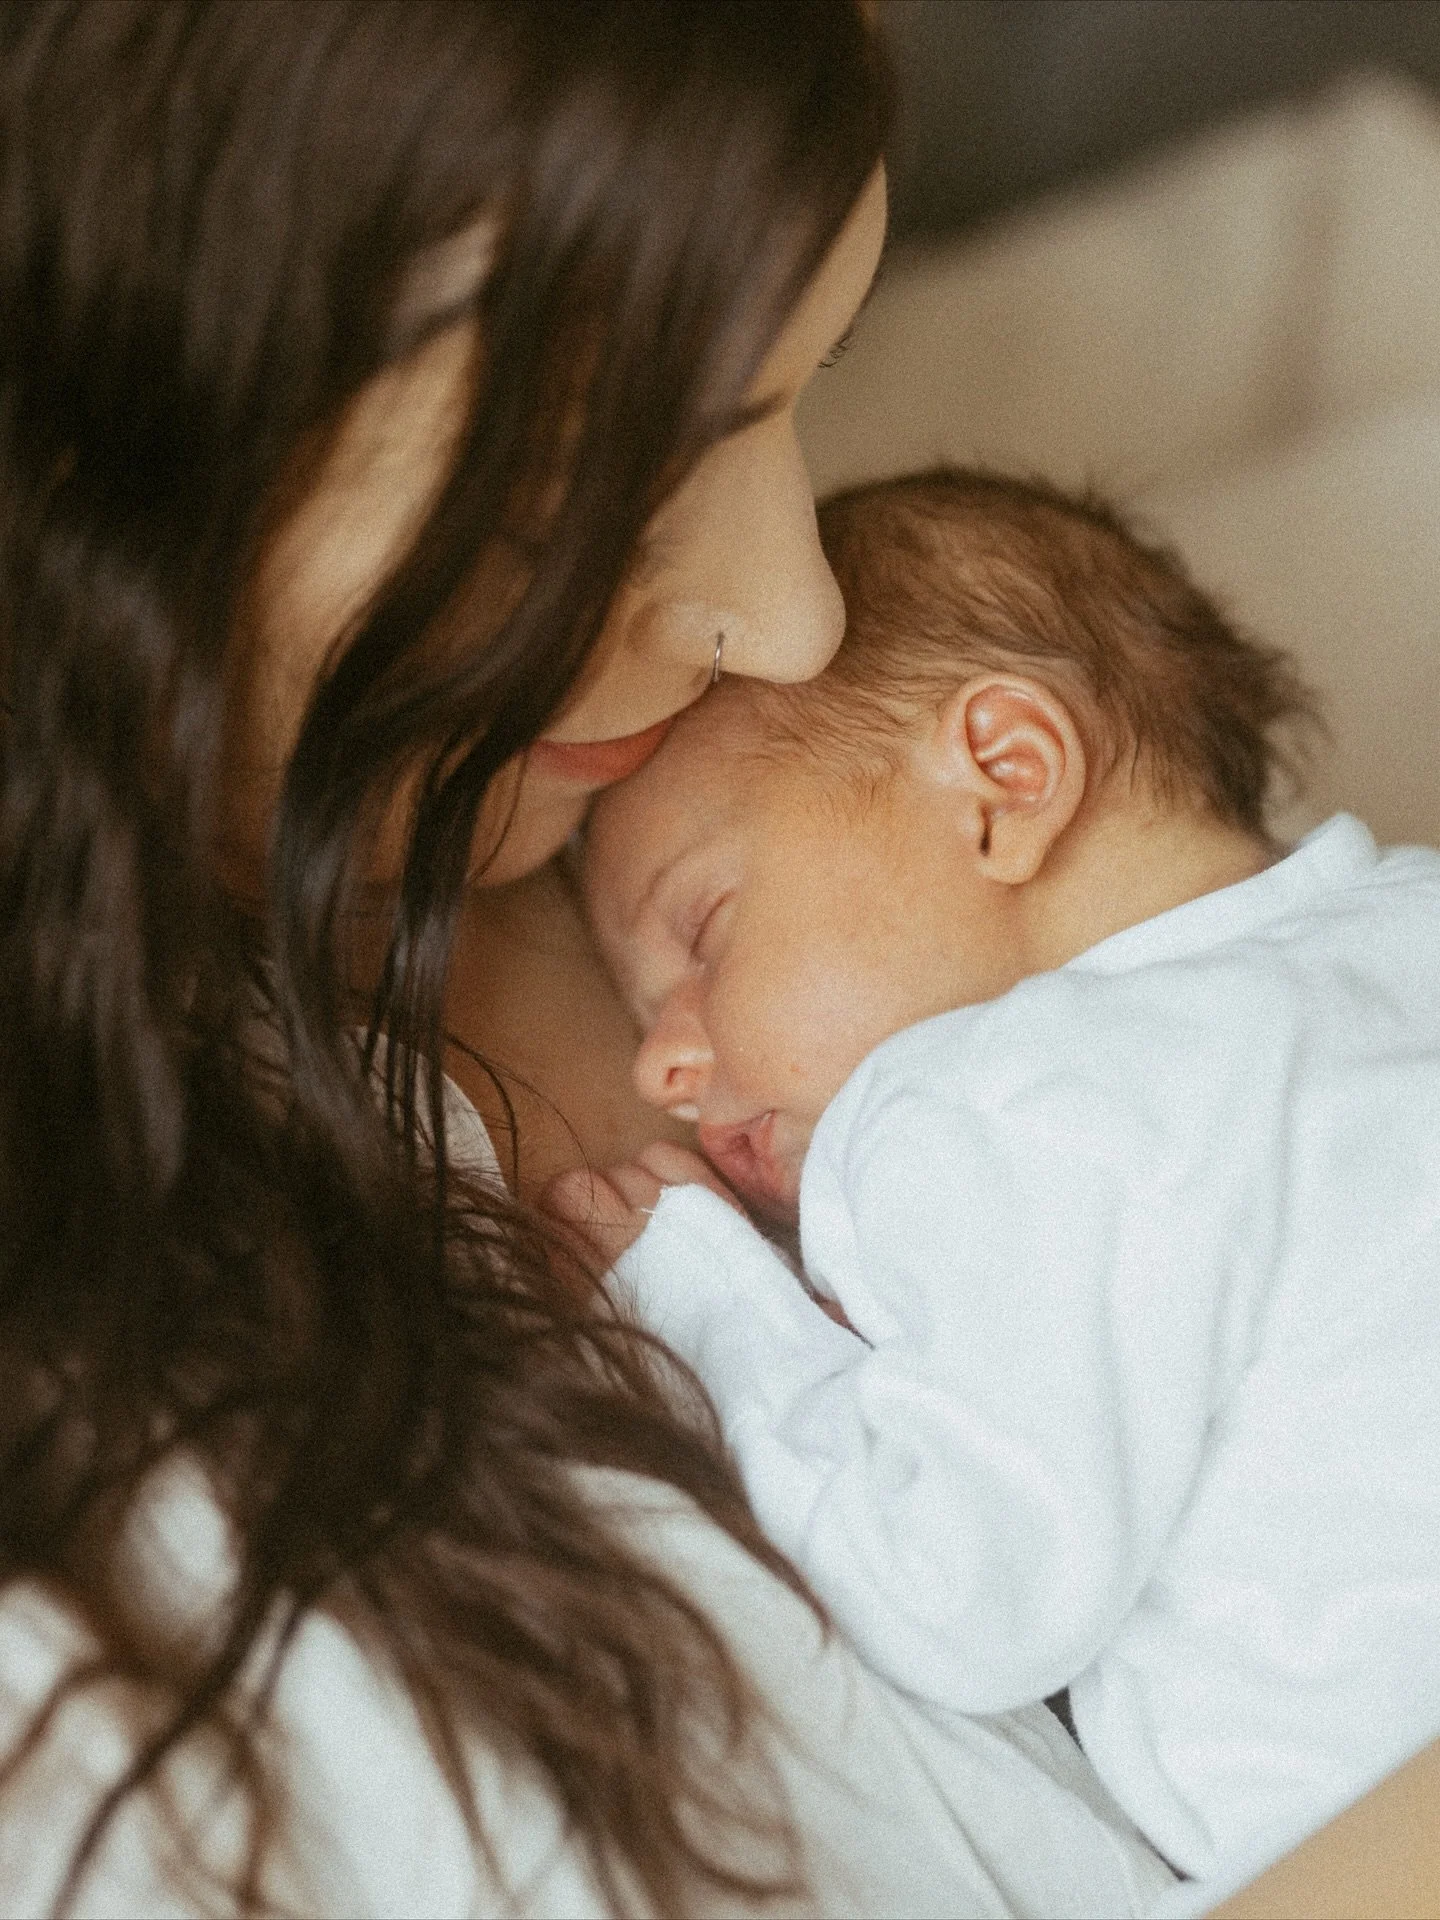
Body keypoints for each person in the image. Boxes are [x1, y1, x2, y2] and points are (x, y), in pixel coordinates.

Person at [0, 7, 1177, 1916]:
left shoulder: (707, 828)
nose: (790, 620)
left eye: (805, 384)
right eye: (590, 498)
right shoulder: (128, 1640)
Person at [553, 466, 1440, 1893]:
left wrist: (698, 1303)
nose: (663, 1064)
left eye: (702, 933)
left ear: (1002, 783)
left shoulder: (1015, 1099)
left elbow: (957, 1584)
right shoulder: (1406, 926)